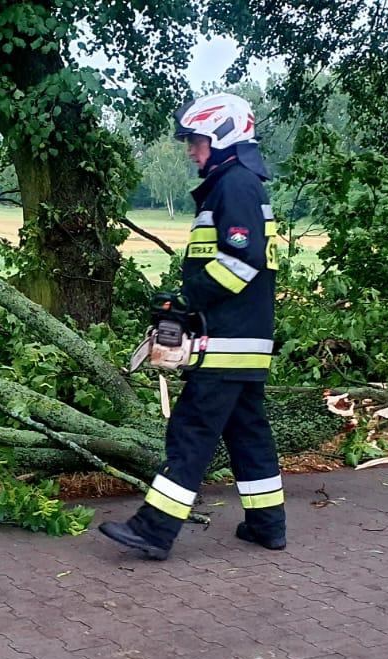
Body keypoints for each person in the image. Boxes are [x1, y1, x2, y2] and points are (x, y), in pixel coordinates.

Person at [98, 93, 285, 561]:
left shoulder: (235, 185)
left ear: (222, 138)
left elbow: (241, 261)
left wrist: (186, 302)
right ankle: (267, 525)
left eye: (196, 141)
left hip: (226, 342)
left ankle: (153, 530)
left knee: (190, 434)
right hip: (244, 341)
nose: (190, 151)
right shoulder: (239, 183)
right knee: (248, 436)